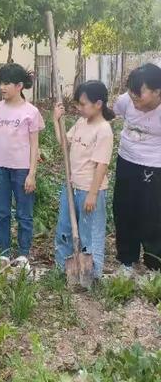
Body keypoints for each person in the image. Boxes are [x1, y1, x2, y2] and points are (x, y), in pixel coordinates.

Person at [0, 63, 44, 268]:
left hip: (22, 170)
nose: (2, 87)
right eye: (0, 82)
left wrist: (32, 174)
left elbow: (35, 145)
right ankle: (3, 253)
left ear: (19, 86)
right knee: (1, 212)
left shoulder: (31, 112)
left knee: (23, 214)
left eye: (7, 83)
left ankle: (24, 254)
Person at [53, 81, 114, 278]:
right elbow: (64, 143)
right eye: (77, 104)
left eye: (82, 104)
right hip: (72, 187)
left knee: (90, 233)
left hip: (90, 190)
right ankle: (63, 269)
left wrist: (93, 194)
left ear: (98, 104)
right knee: (65, 229)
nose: (79, 108)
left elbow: (101, 165)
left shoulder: (103, 130)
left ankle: (92, 275)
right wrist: (56, 120)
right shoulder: (81, 123)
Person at [113, 63, 161, 274]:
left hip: (155, 165)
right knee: (124, 209)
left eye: (139, 96)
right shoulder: (125, 101)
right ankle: (127, 260)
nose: (134, 100)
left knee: (152, 214)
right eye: (131, 95)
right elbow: (109, 115)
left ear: (157, 92)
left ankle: (154, 264)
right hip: (127, 160)